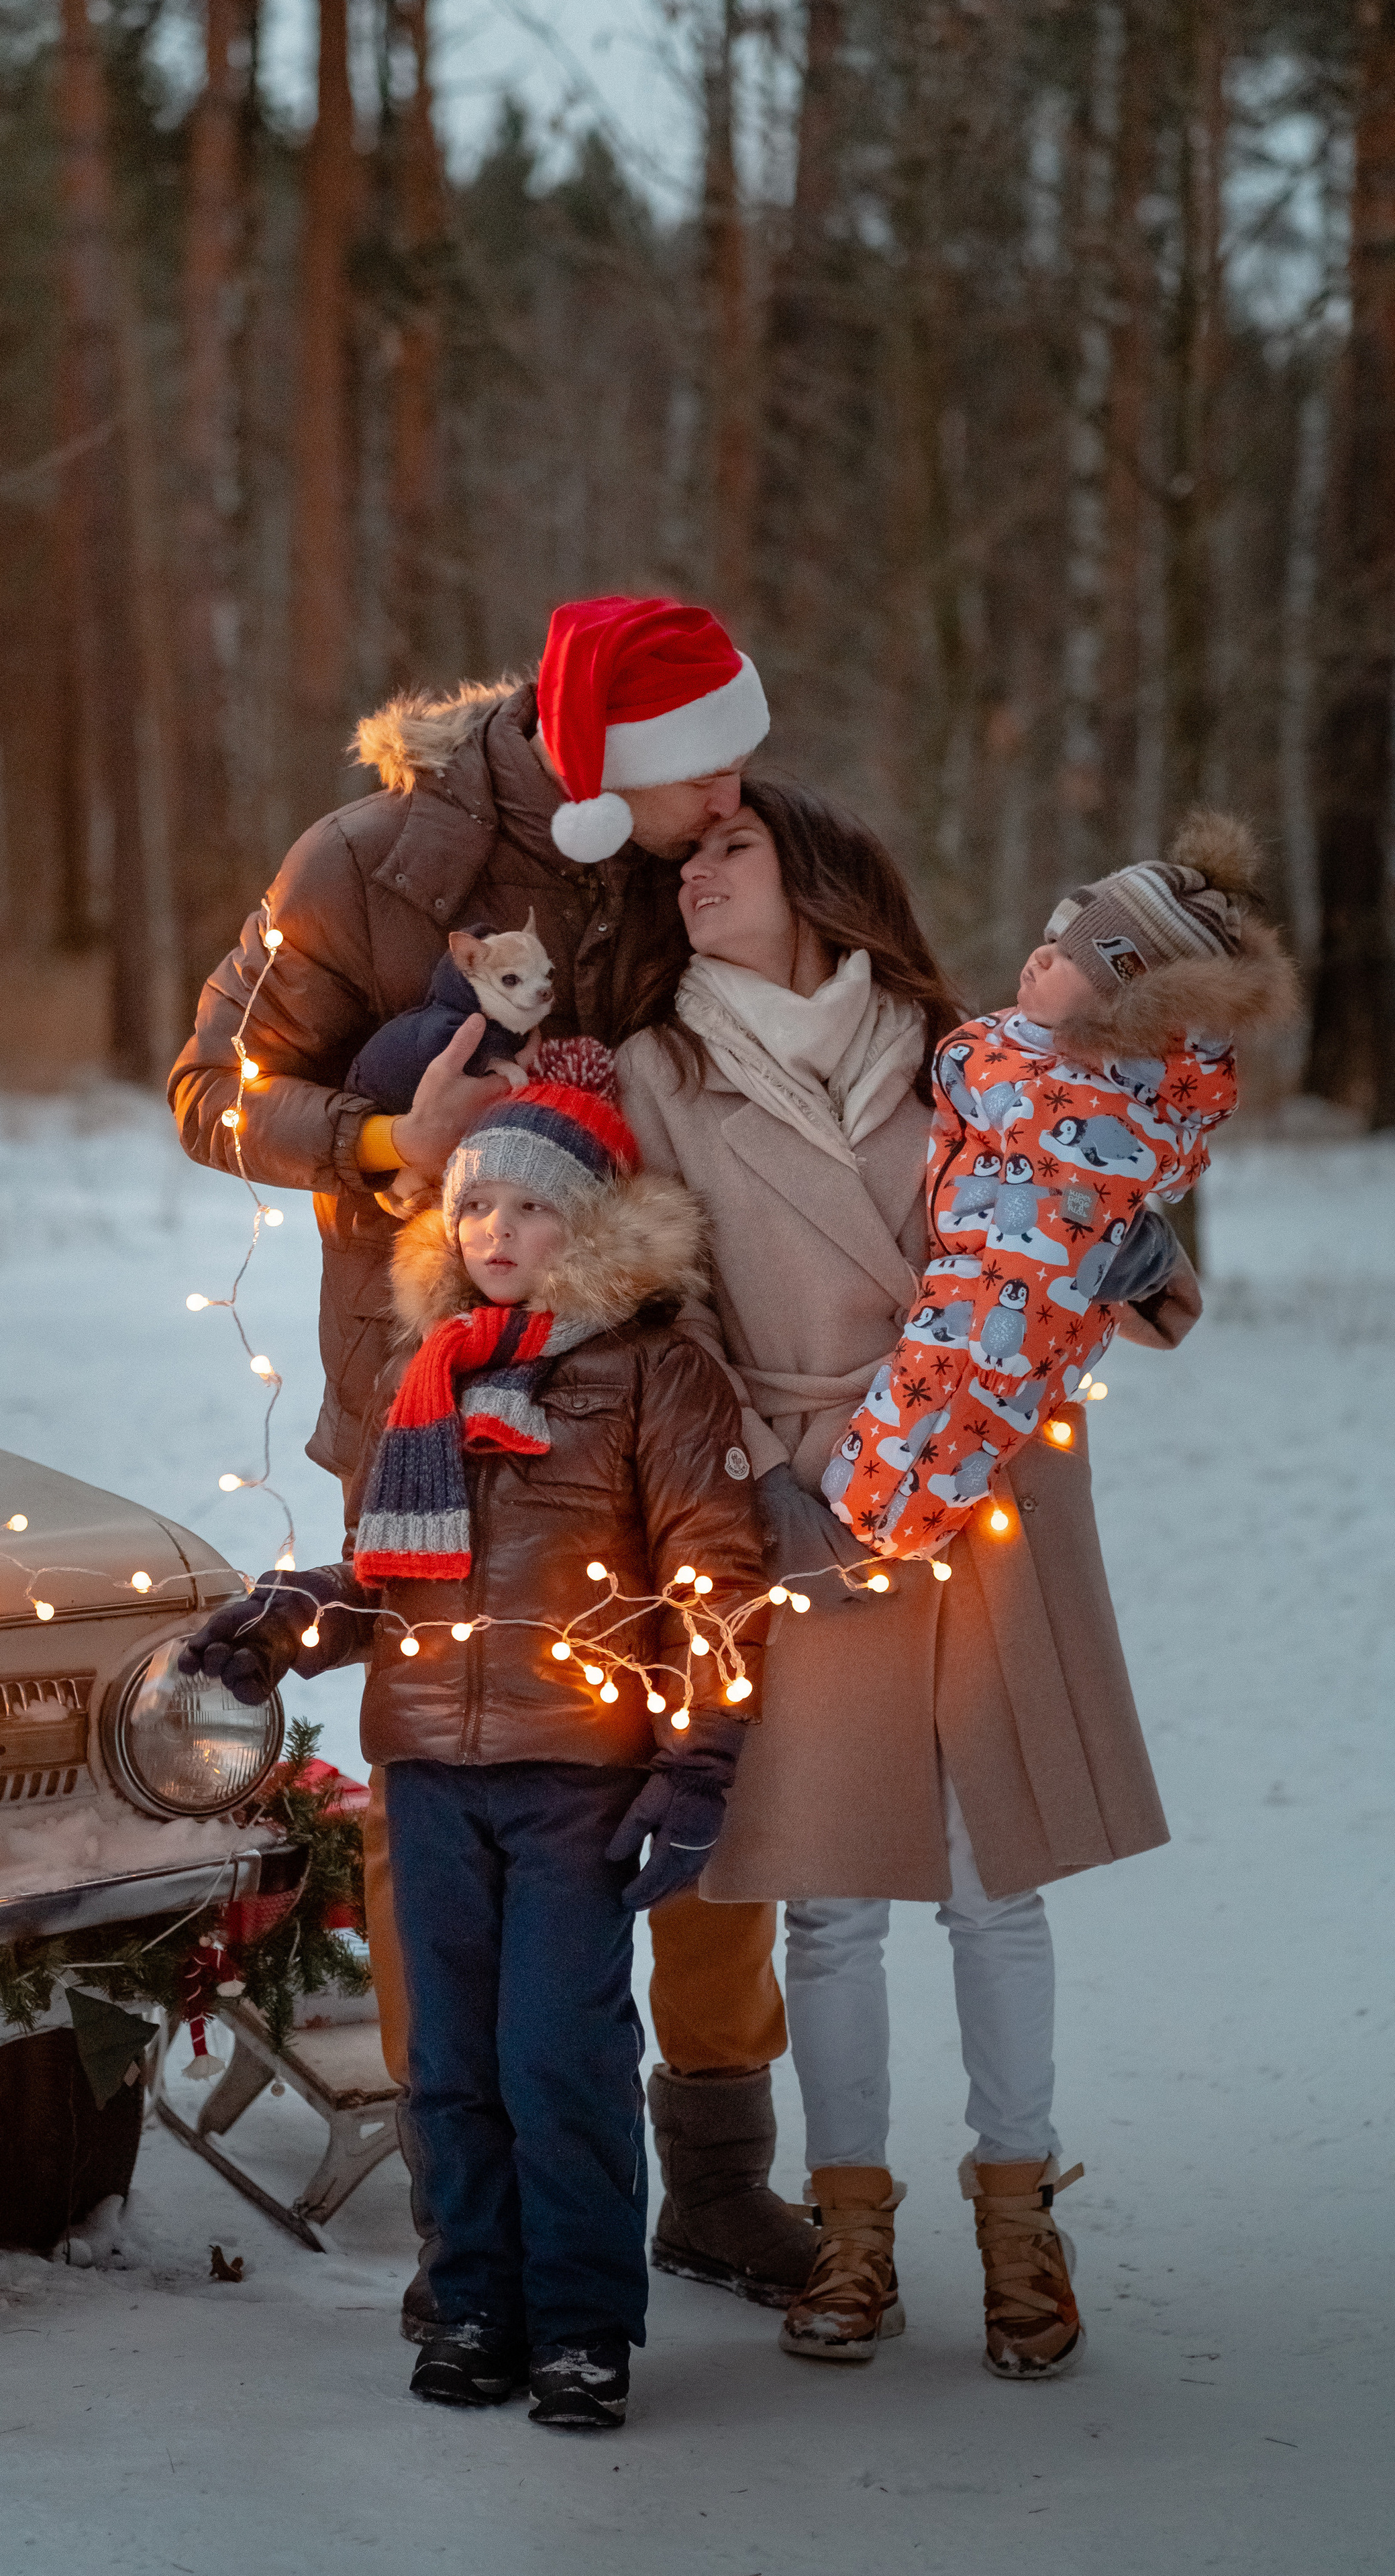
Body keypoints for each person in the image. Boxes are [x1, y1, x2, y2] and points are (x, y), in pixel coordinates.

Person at [169, 596, 820, 2319]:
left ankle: (716, 2172)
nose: (736, 794)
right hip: (432, 1406)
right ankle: (470, 2204)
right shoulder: (364, 866)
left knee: (707, 1744)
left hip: (681, 1388)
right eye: (705, 769)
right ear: (606, 764)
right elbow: (207, 1089)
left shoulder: (721, 857)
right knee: (443, 1780)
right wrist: (391, 1135)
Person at [615, 779, 1208, 2382]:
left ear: (811, 875)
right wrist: (761, 1479)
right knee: (827, 1898)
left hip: (991, 1479)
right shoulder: (657, 1069)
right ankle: (849, 2232)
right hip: (814, 1494)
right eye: (683, 857)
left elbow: (1081, 1197)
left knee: (986, 1878)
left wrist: (1137, 1254)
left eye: (727, 848)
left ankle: (1019, 2217)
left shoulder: (959, 1042)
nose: (693, 876)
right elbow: (663, 1306)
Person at [180, 1081, 770, 2428]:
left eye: (530, 1208)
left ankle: (579, 2327)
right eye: (476, 1204)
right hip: (430, 1770)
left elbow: (718, 1579)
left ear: (594, 1226)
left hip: (576, 1776)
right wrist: (288, 1622)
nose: (496, 1229)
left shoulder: (657, 1372)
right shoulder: (429, 1371)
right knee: (446, 2060)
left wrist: (698, 1762)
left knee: (557, 2055)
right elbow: (393, 1579)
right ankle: (471, 2304)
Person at [825, 812, 1296, 1556]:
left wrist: (992, 1351)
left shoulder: (1082, 1108)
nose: (1042, 957)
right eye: (1052, 938)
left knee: (929, 1436)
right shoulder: (1040, 1055)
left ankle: (883, 1519)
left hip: (998, 1311)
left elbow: (1041, 1270)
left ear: (1127, 1006)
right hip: (975, 1283)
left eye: (1075, 957)